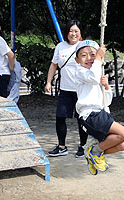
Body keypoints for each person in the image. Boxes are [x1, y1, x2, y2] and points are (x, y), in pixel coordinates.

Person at [74, 40, 124, 175]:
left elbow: (107, 101)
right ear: (77, 60)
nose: (89, 58)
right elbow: (92, 77)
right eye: (84, 55)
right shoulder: (80, 72)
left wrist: (106, 87)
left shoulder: (96, 74)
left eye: (93, 54)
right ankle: (95, 151)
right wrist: (98, 57)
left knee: (123, 144)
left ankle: (94, 152)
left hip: (101, 113)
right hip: (90, 115)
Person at [45, 19, 88, 158]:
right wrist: (48, 82)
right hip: (65, 89)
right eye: (70, 31)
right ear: (66, 32)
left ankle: (83, 146)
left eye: (76, 31)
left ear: (81, 32)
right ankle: (62, 146)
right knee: (60, 117)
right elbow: (53, 65)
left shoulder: (86, 46)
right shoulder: (60, 47)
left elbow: (94, 63)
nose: (73, 34)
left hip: (81, 89)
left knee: (82, 119)